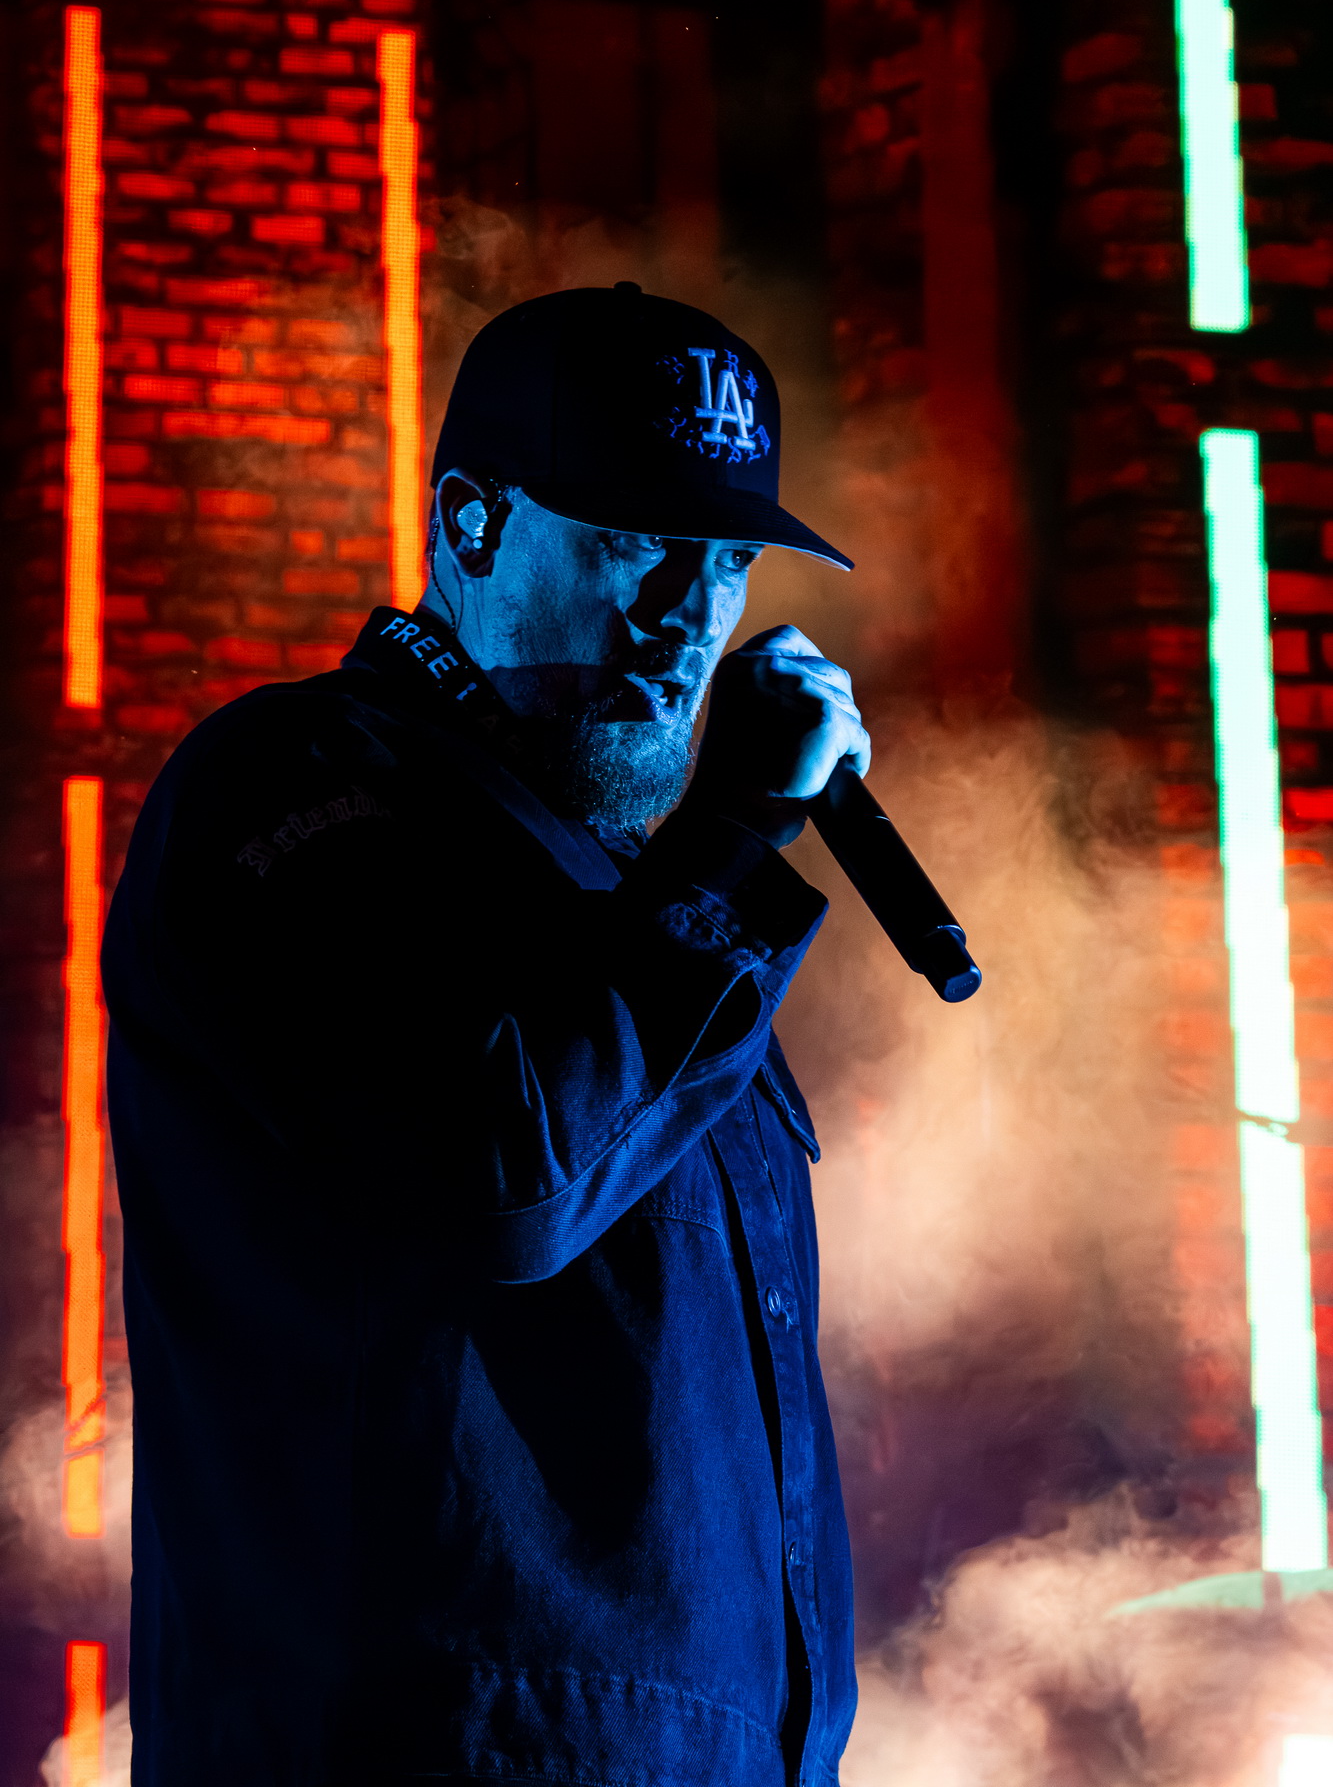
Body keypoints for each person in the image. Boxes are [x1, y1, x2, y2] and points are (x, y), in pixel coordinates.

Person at [103, 282, 868, 1787]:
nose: (687, 617)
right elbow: (501, 1182)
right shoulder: (294, 784)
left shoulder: (632, 893)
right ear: (470, 521)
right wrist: (728, 834)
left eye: (725, 563)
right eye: (636, 544)